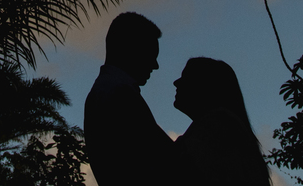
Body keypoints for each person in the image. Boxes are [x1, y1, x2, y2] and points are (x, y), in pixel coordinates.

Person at [84, 12, 176, 186]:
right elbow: (162, 158)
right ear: (131, 49)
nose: (155, 65)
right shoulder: (119, 95)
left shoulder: (106, 92)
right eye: (150, 54)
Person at [172, 57, 271, 186]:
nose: (176, 83)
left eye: (186, 77)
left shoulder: (217, 125)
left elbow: (182, 167)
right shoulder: (224, 126)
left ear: (205, 86)